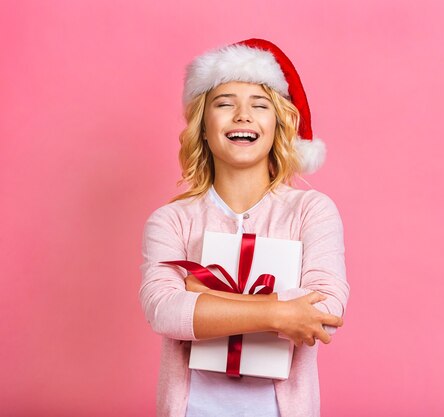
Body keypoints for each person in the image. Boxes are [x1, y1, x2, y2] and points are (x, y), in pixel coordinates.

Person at [139, 39, 350, 417]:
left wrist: (205, 299)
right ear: (203, 128)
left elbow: (325, 312)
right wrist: (279, 313)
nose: (242, 115)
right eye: (224, 103)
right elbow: (165, 312)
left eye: (259, 104)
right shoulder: (171, 220)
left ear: (277, 126)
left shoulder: (311, 211)